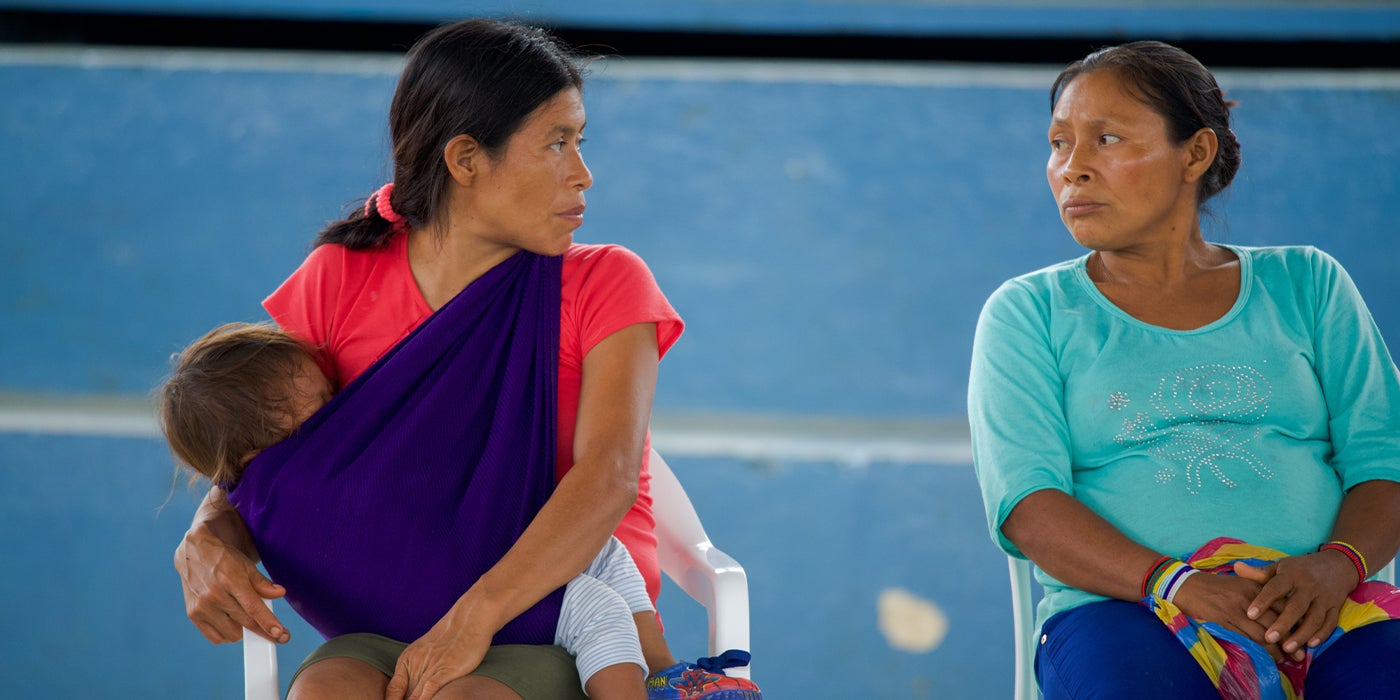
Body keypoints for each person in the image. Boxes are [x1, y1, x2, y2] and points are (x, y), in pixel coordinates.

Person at [170, 18, 761, 700]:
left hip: (567, 619)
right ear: (466, 159)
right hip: (389, 616)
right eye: (556, 144)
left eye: (580, 141)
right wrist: (208, 531)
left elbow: (609, 478)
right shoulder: (341, 276)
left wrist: (470, 622)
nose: (584, 174)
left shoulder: (606, 282)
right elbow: (271, 450)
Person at [969, 41, 1400, 698]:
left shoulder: (1307, 285)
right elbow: (1030, 507)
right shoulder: (1030, 313)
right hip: (1126, 612)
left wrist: (1335, 568)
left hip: (1325, 605)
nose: (1072, 168)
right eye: (1059, 144)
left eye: (1106, 139)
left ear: (1194, 154)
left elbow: (1385, 460)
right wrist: (1174, 585)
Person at [157, 321, 661, 698]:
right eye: (326, 401)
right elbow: (242, 482)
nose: (343, 411)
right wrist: (206, 532)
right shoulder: (337, 283)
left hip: (518, 614)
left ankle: (664, 674)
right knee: (322, 689)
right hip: (375, 635)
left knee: (599, 585)